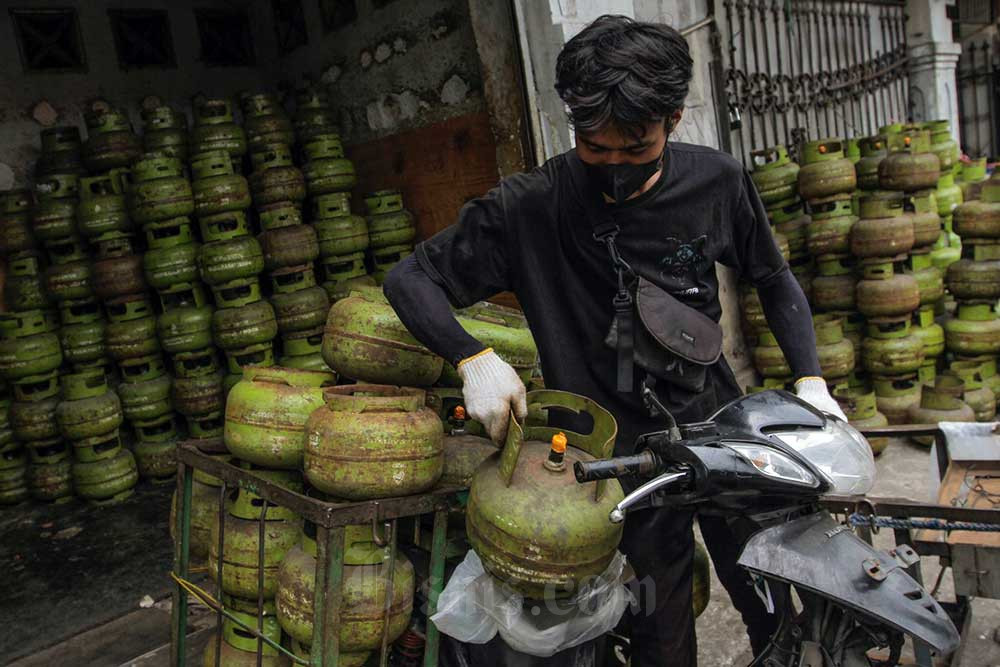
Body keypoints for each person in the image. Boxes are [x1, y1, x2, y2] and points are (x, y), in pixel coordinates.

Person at [383, 14, 845, 667]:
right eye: (593, 149)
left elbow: (771, 276)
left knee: (770, 591)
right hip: (616, 466)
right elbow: (410, 280)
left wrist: (811, 380)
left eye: (636, 150)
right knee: (659, 625)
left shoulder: (716, 182)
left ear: (675, 120)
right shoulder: (529, 206)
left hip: (718, 431)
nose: (614, 169)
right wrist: (471, 356)